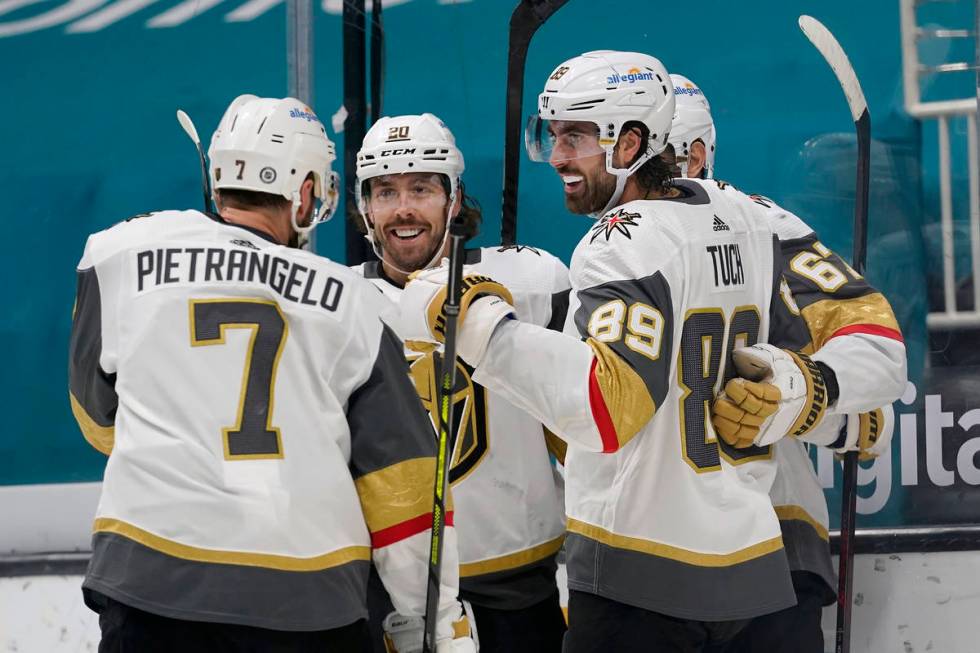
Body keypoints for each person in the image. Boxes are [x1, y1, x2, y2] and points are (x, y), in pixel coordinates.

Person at [399, 50, 907, 651]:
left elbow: (606, 408)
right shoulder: (757, 218)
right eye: (552, 135)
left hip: (634, 583)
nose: (557, 156)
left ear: (631, 141)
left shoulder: (617, 242)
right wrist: (805, 391)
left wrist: (477, 322)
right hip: (754, 574)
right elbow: (880, 350)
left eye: (576, 136)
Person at [68, 95, 474, 652]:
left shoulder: (118, 255)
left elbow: (98, 421)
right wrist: (433, 621)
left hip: (149, 584)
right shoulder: (350, 301)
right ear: (306, 190)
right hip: (304, 598)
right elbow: (402, 487)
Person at [665, 73, 903, 653]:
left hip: (769, 544)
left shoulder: (761, 227)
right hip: (642, 561)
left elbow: (877, 354)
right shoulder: (608, 246)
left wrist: (801, 396)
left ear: (696, 154)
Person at [350, 112, 569, 652]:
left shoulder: (535, 284)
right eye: (386, 191)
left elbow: (585, 420)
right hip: (386, 591)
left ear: (454, 199)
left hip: (516, 582)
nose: (403, 208)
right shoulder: (337, 303)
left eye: (422, 188)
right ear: (364, 206)